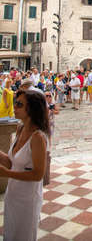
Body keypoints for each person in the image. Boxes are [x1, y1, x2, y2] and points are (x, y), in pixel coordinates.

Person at [0, 88, 50, 241]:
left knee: (24, 236)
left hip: (28, 198)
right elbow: (12, 163)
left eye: (19, 104)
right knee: (11, 233)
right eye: (16, 103)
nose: (14, 107)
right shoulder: (20, 128)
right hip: (13, 194)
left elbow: (38, 174)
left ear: (32, 109)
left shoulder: (38, 138)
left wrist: (6, 174)